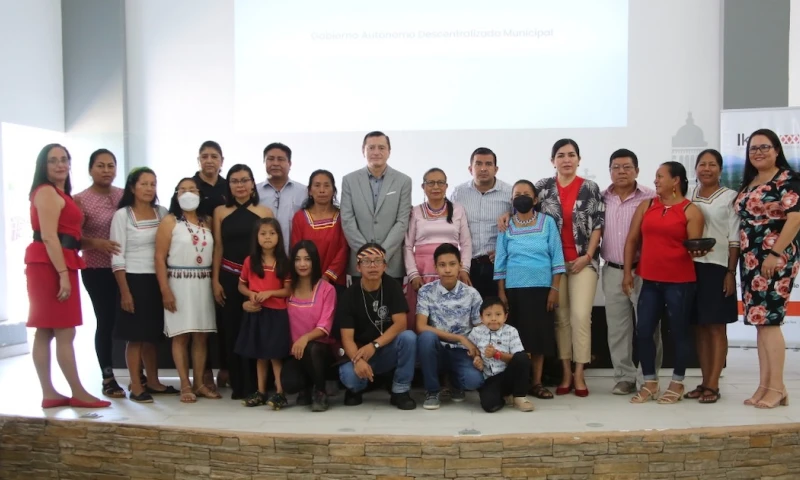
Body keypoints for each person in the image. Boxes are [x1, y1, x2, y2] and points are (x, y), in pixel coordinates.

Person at [26, 143, 111, 409]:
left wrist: (94, 244)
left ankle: (51, 393)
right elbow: (50, 237)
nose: (60, 164)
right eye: (53, 161)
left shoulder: (61, 193)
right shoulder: (47, 193)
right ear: (44, 166)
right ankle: (77, 392)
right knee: (62, 331)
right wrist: (62, 273)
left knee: (47, 330)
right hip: (51, 264)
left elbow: (67, 237)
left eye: (64, 159)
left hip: (56, 260)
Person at [624, 161, 706, 404]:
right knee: (644, 331)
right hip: (649, 280)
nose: (656, 180)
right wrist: (628, 272)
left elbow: (695, 247)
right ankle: (650, 382)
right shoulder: (647, 205)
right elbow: (631, 240)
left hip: (679, 282)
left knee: (679, 332)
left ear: (676, 181)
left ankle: (677, 382)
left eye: (660, 176)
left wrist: (699, 252)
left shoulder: (690, 211)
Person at [734, 128, 800, 409]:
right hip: (751, 260)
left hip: (775, 258)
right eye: (753, 148)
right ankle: (767, 386)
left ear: (776, 150)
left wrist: (775, 253)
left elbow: (795, 218)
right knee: (760, 323)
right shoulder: (750, 182)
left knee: (770, 322)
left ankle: (776, 386)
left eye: (765, 147)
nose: (758, 152)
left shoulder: (787, 179)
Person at [535, 139, 605, 397]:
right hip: (552, 264)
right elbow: (526, 214)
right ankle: (565, 372)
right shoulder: (542, 188)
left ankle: (579, 373)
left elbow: (598, 224)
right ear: (553, 160)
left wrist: (587, 256)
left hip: (582, 261)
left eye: (571, 155)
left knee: (579, 317)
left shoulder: (590, 187)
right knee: (561, 319)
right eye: (561, 155)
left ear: (579, 159)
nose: (566, 159)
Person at [494, 180, 564, 400]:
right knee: (517, 339)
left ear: (535, 199)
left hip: (542, 289)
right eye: (517, 194)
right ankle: (519, 383)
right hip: (514, 289)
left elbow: (557, 257)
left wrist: (554, 288)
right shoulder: (507, 226)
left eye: (526, 194)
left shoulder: (547, 223)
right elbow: (501, 262)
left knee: (539, 338)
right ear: (512, 200)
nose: (521, 197)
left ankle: (537, 383)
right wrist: (501, 292)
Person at [111, 167, 176, 403]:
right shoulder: (122, 215)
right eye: (144, 184)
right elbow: (117, 257)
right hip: (133, 279)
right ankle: (136, 386)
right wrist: (125, 291)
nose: (149, 188)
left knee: (152, 335)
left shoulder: (163, 212)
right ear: (132, 187)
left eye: (153, 184)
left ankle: (154, 381)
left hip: (157, 279)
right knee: (135, 336)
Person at [600, 149, 660, 395]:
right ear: (610, 171)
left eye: (626, 167)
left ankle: (648, 376)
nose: (621, 172)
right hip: (612, 270)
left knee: (648, 327)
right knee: (617, 329)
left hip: (643, 270)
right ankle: (624, 377)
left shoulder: (651, 197)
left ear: (637, 170)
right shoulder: (602, 198)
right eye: (616, 167)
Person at [154, 178, 219, 403]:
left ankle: (199, 382)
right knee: (181, 336)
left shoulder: (207, 221)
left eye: (192, 189)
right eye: (183, 189)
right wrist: (165, 290)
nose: (188, 193)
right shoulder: (169, 221)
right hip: (178, 282)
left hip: (203, 282)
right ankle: (184, 384)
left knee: (201, 336)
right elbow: (159, 258)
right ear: (175, 194)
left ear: (199, 194)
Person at [212, 164, 273, 399]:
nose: (240, 185)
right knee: (232, 331)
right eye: (235, 181)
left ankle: (259, 385)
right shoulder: (220, 212)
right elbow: (218, 247)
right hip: (228, 276)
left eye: (245, 180)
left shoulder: (264, 212)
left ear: (252, 183)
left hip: (257, 279)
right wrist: (214, 281)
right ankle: (239, 385)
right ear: (229, 184)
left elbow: (271, 248)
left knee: (257, 331)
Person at [684, 149, 739, 404]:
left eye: (712, 164)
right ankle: (704, 381)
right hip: (689, 268)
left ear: (720, 169)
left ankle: (714, 385)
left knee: (716, 327)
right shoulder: (687, 195)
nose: (707, 169)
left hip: (717, 268)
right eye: (702, 164)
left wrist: (730, 272)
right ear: (695, 169)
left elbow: (734, 240)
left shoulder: (730, 198)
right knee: (699, 328)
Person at [338, 243, 417, 410]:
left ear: (385, 265)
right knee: (349, 377)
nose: (373, 266)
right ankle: (363, 385)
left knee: (409, 338)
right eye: (366, 261)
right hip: (360, 353)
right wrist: (357, 360)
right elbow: (347, 338)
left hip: (385, 349)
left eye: (377, 261)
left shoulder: (392, 287)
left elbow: (401, 324)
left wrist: (374, 345)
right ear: (358, 267)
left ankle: (400, 391)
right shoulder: (349, 295)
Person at [74, 149, 125, 398]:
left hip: (126, 269)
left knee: (127, 323)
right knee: (106, 322)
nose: (106, 171)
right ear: (90, 169)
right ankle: (108, 377)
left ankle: (137, 375)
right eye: (101, 166)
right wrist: (97, 243)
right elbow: (72, 239)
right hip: (98, 269)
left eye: (111, 166)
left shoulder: (124, 195)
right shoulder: (80, 200)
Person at [415, 243, 484, 410]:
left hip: (462, 351)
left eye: (452, 264)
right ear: (435, 267)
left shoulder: (471, 294)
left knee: (474, 381)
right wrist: (459, 338)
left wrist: (479, 353)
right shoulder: (426, 291)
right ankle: (432, 391)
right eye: (442, 265)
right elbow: (421, 327)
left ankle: (455, 383)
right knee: (426, 338)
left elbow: (481, 327)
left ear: (460, 265)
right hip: (437, 350)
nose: (447, 270)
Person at [404, 168, 472, 330]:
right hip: (422, 276)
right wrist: (413, 274)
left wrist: (464, 269)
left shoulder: (457, 210)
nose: (436, 187)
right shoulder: (416, 211)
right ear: (423, 187)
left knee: (452, 321)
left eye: (440, 182)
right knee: (421, 322)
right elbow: (407, 245)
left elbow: (466, 242)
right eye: (431, 183)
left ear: (446, 186)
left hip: (452, 273)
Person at [340, 131, 412, 283]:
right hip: (359, 263)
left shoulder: (403, 181)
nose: (376, 152)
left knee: (393, 306)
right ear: (363, 151)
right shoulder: (349, 180)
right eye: (371, 148)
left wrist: (382, 254)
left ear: (389, 151)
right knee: (360, 307)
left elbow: (402, 221)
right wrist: (366, 254)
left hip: (391, 262)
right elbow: (347, 219)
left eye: (381, 147)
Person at [277, 240, 340, 412]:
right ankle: (306, 386)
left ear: (314, 261)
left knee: (312, 349)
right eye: (297, 259)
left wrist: (304, 338)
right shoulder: (288, 290)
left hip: (321, 351)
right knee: (290, 384)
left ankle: (320, 392)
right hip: (295, 353)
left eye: (307, 259)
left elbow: (324, 326)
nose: (302, 264)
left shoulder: (327, 289)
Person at [235, 218, 292, 410]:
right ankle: (260, 391)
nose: (267, 237)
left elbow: (288, 291)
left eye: (272, 233)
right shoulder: (250, 261)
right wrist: (250, 294)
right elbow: (241, 285)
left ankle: (280, 392)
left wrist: (270, 293)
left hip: (277, 314)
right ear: (256, 237)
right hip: (257, 312)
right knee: (260, 355)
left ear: (279, 236)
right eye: (263, 233)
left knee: (275, 355)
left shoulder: (284, 262)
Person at [191, 140, 229, 390]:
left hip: (223, 260)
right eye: (204, 156)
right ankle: (202, 373)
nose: (209, 160)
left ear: (221, 161)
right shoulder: (190, 186)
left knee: (224, 321)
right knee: (199, 322)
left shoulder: (230, 186)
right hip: (193, 262)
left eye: (214, 156)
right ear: (198, 160)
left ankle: (226, 368)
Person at [451, 147, 513, 298]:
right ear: (470, 168)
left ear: (496, 169)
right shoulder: (458, 193)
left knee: (498, 315)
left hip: (499, 266)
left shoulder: (509, 193)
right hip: (468, 266)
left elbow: (520, 225)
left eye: (488, 164)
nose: (483, 168)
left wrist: (511, 214)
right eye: (478, 164)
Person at [469, 297, 535, 412]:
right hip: (489, 378)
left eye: (498, 314)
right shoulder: (476, 332)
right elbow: (471, 351)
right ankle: (506, 397)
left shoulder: (511, 331)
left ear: (505, 316)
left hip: (508, 374)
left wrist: (497, 354)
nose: (493, 319)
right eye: (488, 315)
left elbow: (517, 359)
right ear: (481, 318)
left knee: (522, 357)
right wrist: (476, 358)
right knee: (489, 406)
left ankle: (519, 396)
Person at [257, 143, 307, 253]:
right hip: (262, 258)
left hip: (295, 258)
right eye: (270, 159)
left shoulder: (304, 192)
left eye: (280, 159)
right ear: (264, 162)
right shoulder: (254, 192)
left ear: (290, 163)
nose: (275, 163)